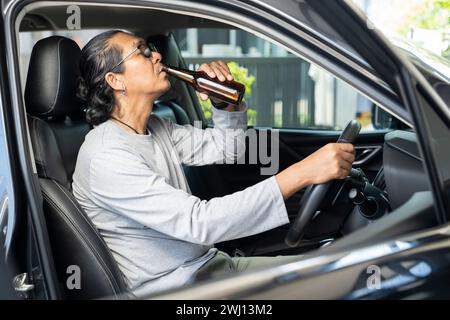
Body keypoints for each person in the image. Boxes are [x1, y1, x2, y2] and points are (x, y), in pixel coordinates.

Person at [72, 30, 355, 297]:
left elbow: (228, 148)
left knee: (339, 274)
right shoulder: (105, 156)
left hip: (211, 268)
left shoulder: (156, 127)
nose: (156, 56)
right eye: (142, 52)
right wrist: (302, 173)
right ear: (115, 80)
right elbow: (199, 223)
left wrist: (224, 103)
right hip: (178, 289)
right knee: (340, 284)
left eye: (153, 49)